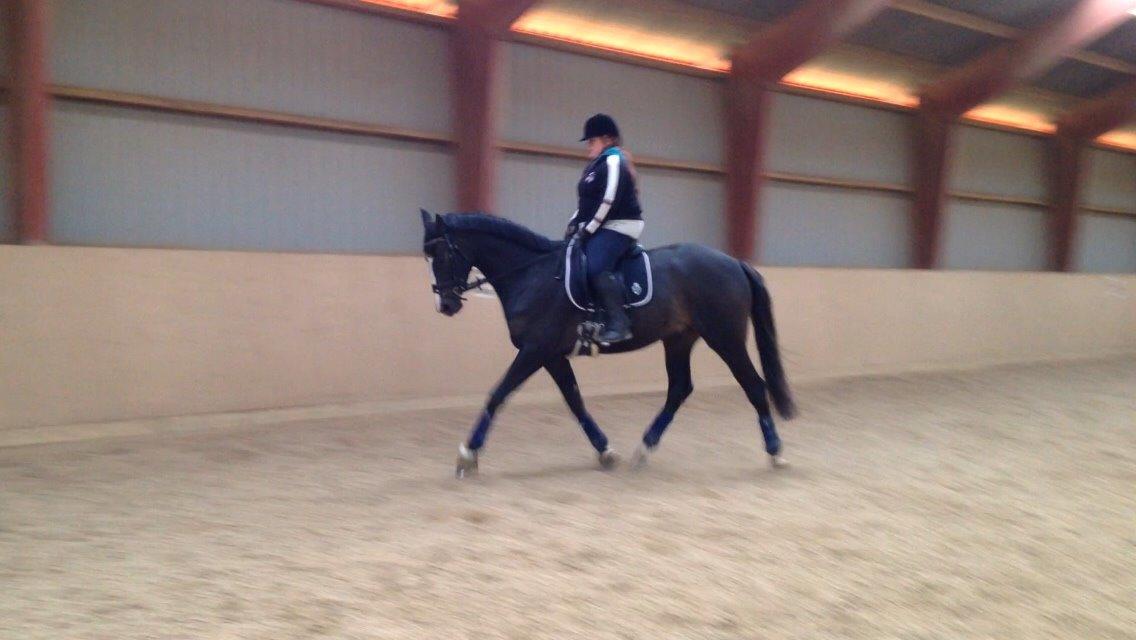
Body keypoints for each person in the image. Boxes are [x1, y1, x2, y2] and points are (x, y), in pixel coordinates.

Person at [566, 113, 643, 344]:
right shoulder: (594, 167)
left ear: (607, 139)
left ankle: (620, 323)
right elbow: (586, 204)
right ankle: (590, 318)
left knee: (595, 266)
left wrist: (587, 229)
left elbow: (608, 201)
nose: (588, 146)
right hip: (601, 225)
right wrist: (573, 224)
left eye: (592, 141)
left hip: (621, 225)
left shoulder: (613, 161)